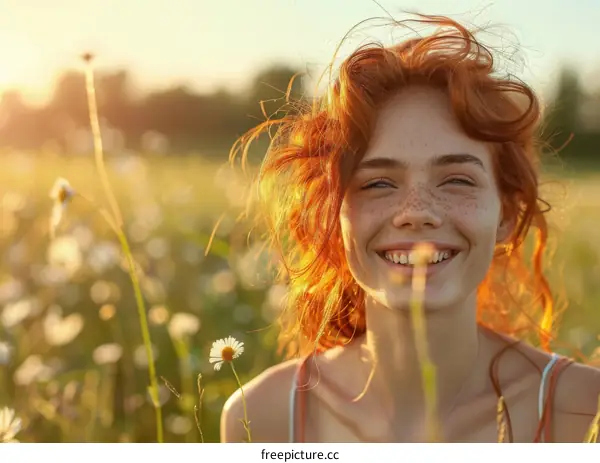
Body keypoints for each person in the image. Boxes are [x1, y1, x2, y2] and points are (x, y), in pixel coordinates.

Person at [220, 14, 600, 443]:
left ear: (507, 215)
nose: (416, 212)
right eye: (378, 182)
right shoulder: (263, 417)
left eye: (457, 179)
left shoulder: (586, 412)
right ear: (333, 212)